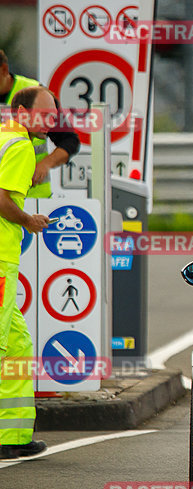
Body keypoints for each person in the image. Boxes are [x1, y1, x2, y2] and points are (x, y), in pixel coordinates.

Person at [0, 86, 53, 459]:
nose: (51, 121)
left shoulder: (4, 138)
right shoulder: (19, 147)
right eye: (45, 114)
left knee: (17, 347)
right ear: (21, 111)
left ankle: (13, 437)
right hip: (1, 259)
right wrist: (28, 219)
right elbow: (2, 198)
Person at [0, 49, 79, 198]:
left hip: (34, 197)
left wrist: (45, 165)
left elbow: (69, 141)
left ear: (4, 69)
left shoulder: (37, 95)